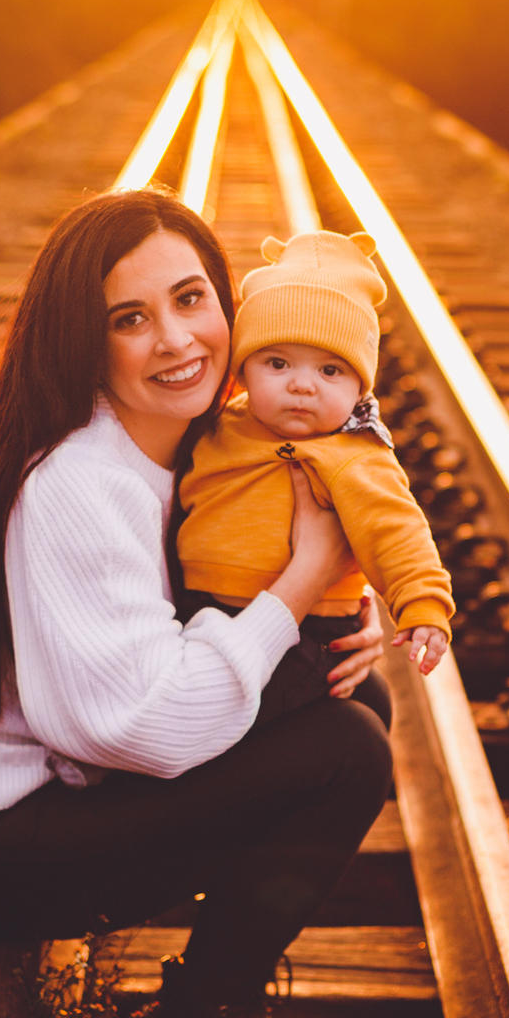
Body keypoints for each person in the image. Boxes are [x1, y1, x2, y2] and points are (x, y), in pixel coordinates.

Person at [0, 187, 392, 1018]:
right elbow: (147, 730)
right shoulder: (74, 482)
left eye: (192, 299)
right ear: (86, 342)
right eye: (132, 319)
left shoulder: (189, 440)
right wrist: (299, 587)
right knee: (350, 750)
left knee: (353, 701)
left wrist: (334, 614)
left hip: (61, 782)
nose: (177, 341)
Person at [176, 229, 453, 722]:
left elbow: (396, 529)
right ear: (243, 369)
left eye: (330, 371)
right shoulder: (216, 426)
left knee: (336, 715)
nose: (302, 385)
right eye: (277, 363)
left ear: (358, 386)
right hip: (204, 611)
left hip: (308, 630)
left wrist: (423, 603)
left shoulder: (353, 452)